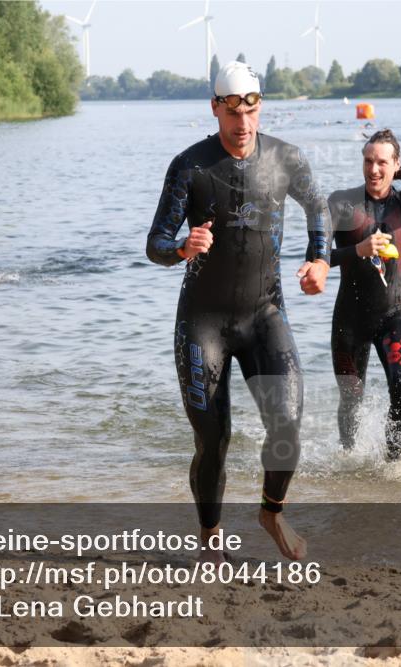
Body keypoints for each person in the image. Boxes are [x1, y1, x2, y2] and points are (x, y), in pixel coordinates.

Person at [146, 62, 331, 561]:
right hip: (203, 322)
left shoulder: (285, 158)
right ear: (215, 109)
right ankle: (210, 539)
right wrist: (184, 247)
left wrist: (320, 259)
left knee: (288, 424)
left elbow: (319, 209)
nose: (242, 125)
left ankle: (272, 512)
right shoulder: (190, 165)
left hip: (264, 314)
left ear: (259, 107)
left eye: (250, 112)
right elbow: (155, 243)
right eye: (232, 115)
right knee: (214, 439)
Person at [327, 129, 401, 460]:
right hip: (349, 320)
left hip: (393, 314)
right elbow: (319, 258)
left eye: (383, 162)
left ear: (394, 165)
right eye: (368, 161)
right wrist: (359, 249)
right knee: (351, 399)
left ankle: (392, 470)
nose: (374, 170)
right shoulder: (342, 202)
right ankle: (349, 462)